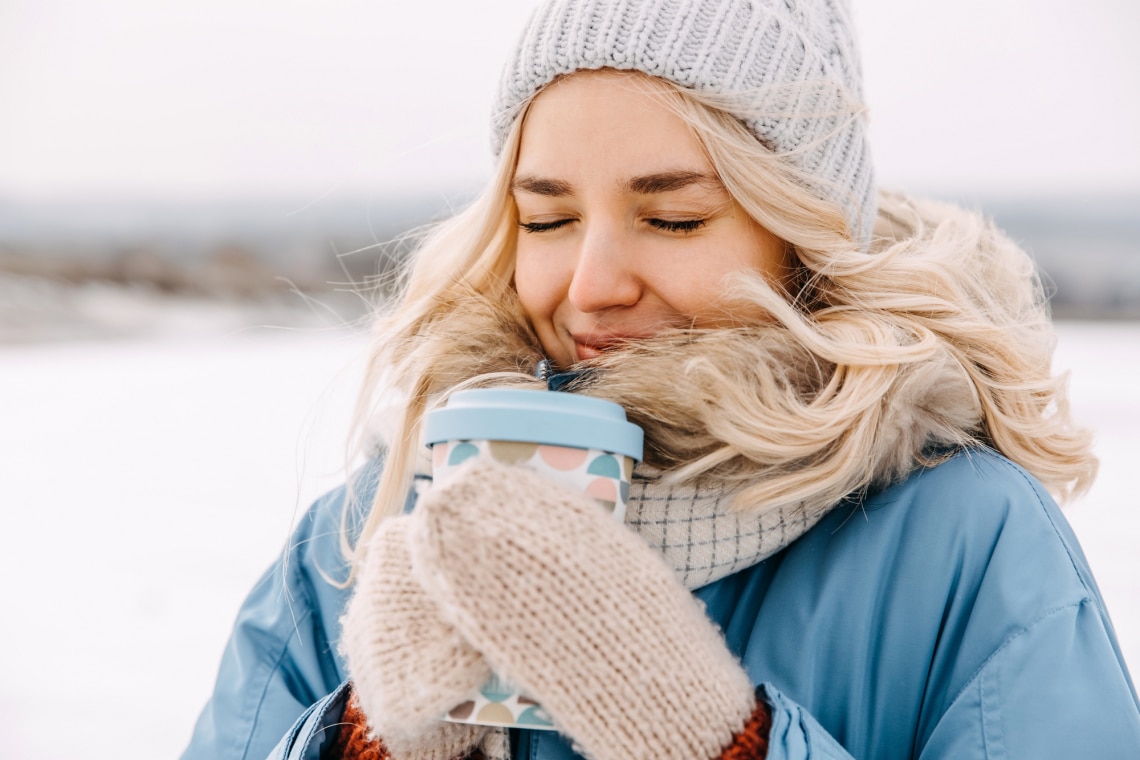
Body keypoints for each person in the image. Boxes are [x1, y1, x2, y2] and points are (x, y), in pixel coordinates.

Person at [183, 1, 1140, 758]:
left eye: (674, 219)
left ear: (801, 242)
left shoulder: (965, 543)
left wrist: (722, 747)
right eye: (547, 220)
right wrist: (367, 749)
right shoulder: (363, 535)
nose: (593, 286)